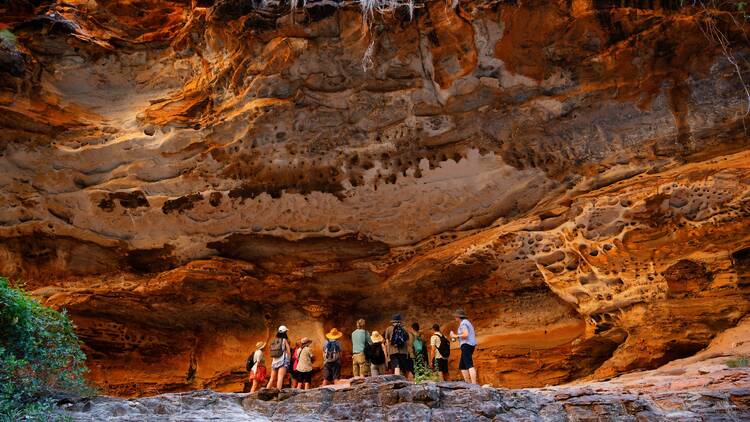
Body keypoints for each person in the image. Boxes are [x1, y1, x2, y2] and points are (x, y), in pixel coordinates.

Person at [450, 309, 477, 384]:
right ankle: (467, 383)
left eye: (456, 316)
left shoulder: (463, 323)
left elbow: (465, 334)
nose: (455, 318)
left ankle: (473, 384)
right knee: (462, 365)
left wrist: (455, 335)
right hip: (469, 345)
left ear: (458, 317)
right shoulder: (467, 323)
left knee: (469, 364)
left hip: (466, 345)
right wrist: (456, 337)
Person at [384, 314, 413, 379]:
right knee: (405, 368)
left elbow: (387, 341)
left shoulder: (388, 329)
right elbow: (408, 340)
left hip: (393, 352)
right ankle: (408, 383)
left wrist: (388, 352)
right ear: (400, 321)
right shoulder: (404, 329)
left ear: (393, 321)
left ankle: (398, 382)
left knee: (396, 367)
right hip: (403, 352)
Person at [267, 325, 291, 390]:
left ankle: (265, 391)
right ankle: (278, 392)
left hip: (274, 361)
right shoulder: (284, 340)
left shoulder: (274, 340)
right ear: (285, 332)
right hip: (282, 360)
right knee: (280, 377)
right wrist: (289, 359)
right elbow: (288, 351)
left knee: (271, 379)